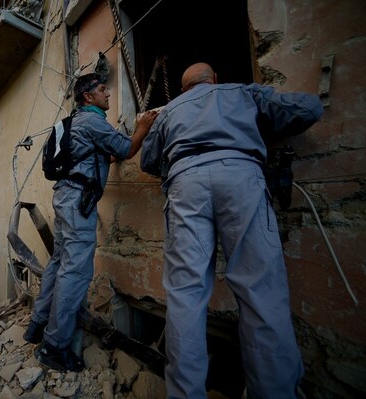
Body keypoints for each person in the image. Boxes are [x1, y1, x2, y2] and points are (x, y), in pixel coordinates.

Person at [140, 62, 323, 398]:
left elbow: (148, 160)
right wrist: (252, 129)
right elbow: (309, 109)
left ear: (184, 90)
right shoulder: (241, 92)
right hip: (242, 178)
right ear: (214, 80)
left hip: (185, 186)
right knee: (260, 293)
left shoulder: (171, 110)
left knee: (185, 296)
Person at [23, 72, 158, 372]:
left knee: (59, 263)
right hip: (77, 202)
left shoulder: (76, 123)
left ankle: (37, 325)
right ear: (88, 96)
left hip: (65, 197)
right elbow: (126, 149)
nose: (107, 94)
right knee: (76, 272)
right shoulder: (94, 121)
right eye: (101, 89)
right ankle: (54, 346)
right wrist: (143, 127)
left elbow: (90, 156)